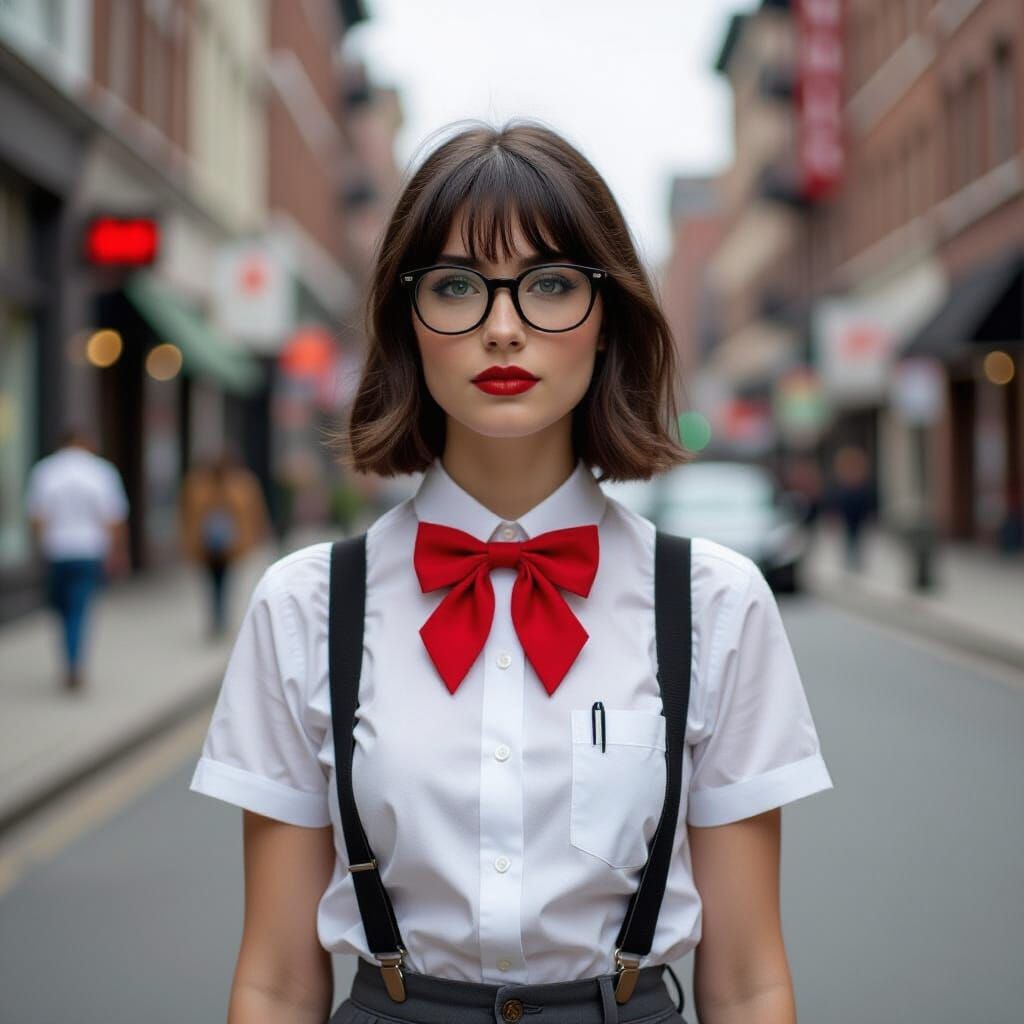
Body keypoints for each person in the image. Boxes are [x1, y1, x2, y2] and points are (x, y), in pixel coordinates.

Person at [189, 121, 833, 1024]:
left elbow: (750, 981)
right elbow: (275, 981)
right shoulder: (302, 607)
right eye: (455, 286)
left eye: (552, 286)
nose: (502, 328)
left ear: (608, 318)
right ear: (406, 324)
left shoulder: (717, 604)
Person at [25, 428, 130, 692]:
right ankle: (74, 663)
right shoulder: (101, 472)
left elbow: (37, 517)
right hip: (88, 550)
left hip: (58, 550)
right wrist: (117, 551)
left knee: (63, 609)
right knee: (78, 609)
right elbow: (113, 518)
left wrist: (41, 547)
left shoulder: (46, 471)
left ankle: (70, 660)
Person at [179, 450, 270, 638]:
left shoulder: (242, 483)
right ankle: (215, 618)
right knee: (211, 583)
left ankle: (221, 619)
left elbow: (254, 512)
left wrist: (257, 536)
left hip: (232, 545)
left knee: (226, 581)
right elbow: (186, 513)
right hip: (205, 545)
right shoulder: (197, 484)